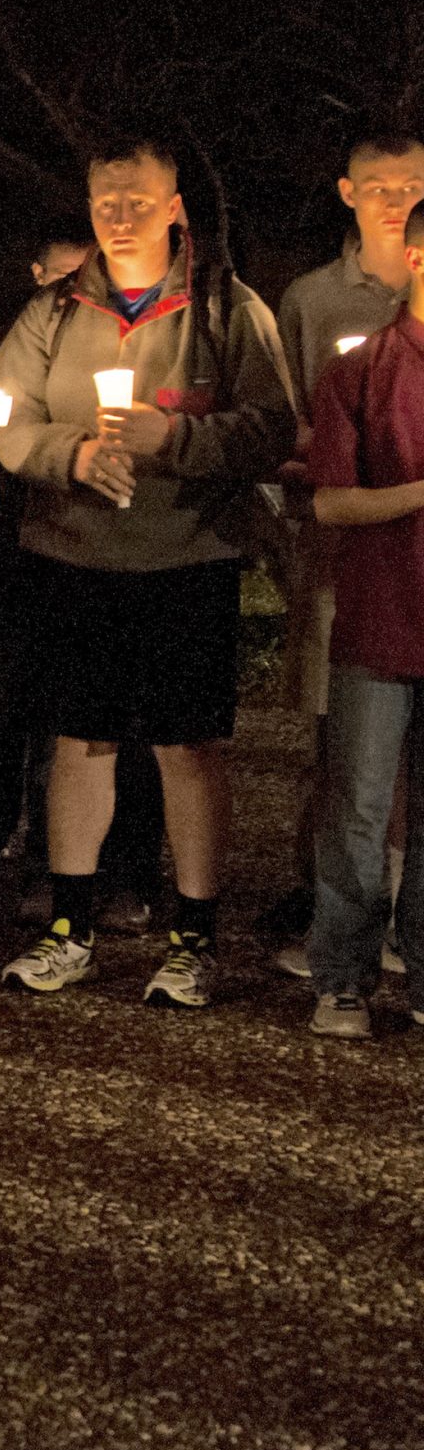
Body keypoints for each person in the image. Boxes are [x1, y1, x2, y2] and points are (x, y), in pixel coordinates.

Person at [0, 136, 293, 1005]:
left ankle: (192, 938)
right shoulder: (51, 312)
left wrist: (180, 440)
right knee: (81, 743)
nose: (118, 220)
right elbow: (5, 423)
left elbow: (272, 427)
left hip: (187, 555)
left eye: (136, 202)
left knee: (187, 749)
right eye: (104, 204)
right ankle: (70, 926)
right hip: (76, 556)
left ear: (175, 209)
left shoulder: (228, 310)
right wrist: (70, 456)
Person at [266, 132, 424, 967]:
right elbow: (282, 427)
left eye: (411, 186)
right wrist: (340, 444)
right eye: (378, 186)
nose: (394, 202)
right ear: (347, 192)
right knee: (346, 755)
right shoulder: (314, 301)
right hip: (347, 564)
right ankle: (332, 930)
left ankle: (406, 925)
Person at [302, 198, 424, 1038]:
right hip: (381, 624)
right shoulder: (363, 369)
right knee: (358, 808)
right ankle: (341, 978)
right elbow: (332, 503)